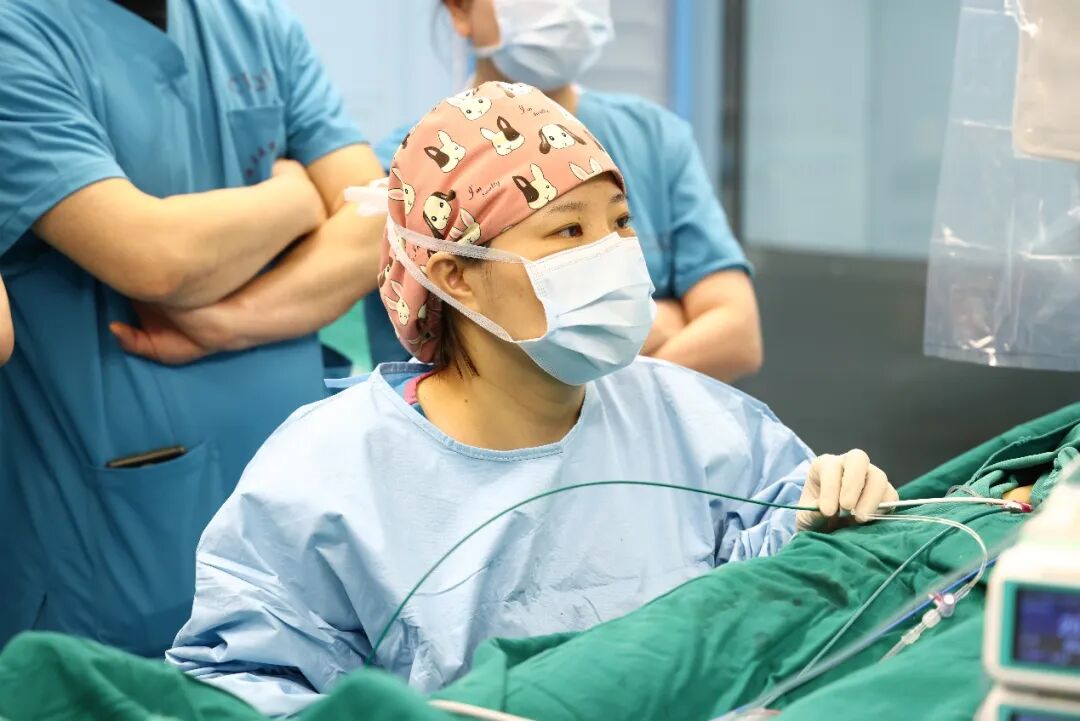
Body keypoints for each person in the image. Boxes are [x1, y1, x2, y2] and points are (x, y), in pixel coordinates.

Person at [167, 82, 898, 717]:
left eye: (620, 222)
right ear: (455, 275)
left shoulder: (691, 422)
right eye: (569, 229)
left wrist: (825, 517)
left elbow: (780, 592)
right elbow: (240, 689)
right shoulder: (329, 478)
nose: (613, 252)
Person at [0, 0, 386, 656]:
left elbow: (378, 217)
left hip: (295, 541)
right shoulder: (19, 33)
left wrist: (230, 321)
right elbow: (153, 259)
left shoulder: (257, 23)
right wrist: (295, 196)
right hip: (109, 563)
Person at [363, 0, 762, 382]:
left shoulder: (653, 137)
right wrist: (655, 325)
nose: (564, 8)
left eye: (622, 221)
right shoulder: (417, 171)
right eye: (568, 230)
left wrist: (601, 391)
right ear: (460, 9)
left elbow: (737, 335)